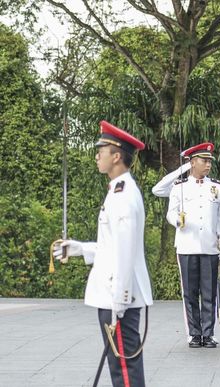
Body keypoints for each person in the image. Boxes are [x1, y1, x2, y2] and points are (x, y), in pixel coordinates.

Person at [53, 120, 152, 387]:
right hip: (115, 293)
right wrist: (80, 248)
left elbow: (126, 252)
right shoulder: (118, 190)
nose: (97, 156)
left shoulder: (123, 195)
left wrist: (119, 298)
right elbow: (113, 247)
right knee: (120, 365)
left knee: (124, 368)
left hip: (117, 296)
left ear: (117, 156)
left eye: (102, 150)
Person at [166, 142, 220, 348]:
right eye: (204, 161)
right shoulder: (180, 187)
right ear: (192, 163)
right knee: (190, 293)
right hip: (187, 245)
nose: (208, 165)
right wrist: (177, 220)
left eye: (210, 161)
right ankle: (194, 333)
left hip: (210, 246)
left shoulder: (217, 187)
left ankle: (208, 332)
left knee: (209, 292)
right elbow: (170, 212)